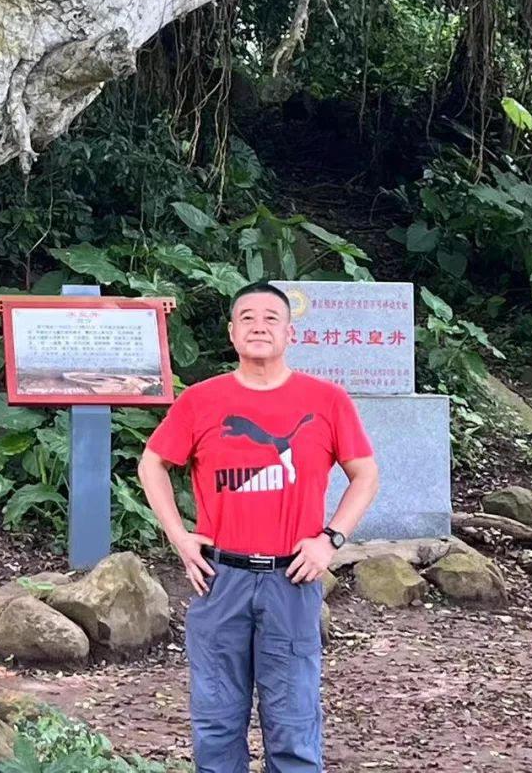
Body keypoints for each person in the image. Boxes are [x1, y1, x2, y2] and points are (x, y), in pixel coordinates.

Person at [137, 281, 379, 773]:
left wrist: (330, 540)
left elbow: (366, 474)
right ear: (232, 332)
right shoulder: (202, 401)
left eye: (271, 317)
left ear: (290, 332)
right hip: (220, 578)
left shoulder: (326, 400)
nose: (259, 325)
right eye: (247, 317)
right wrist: (180, 538)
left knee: (292, 718)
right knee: (216, 719)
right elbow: (152, 463)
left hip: (293, 579)